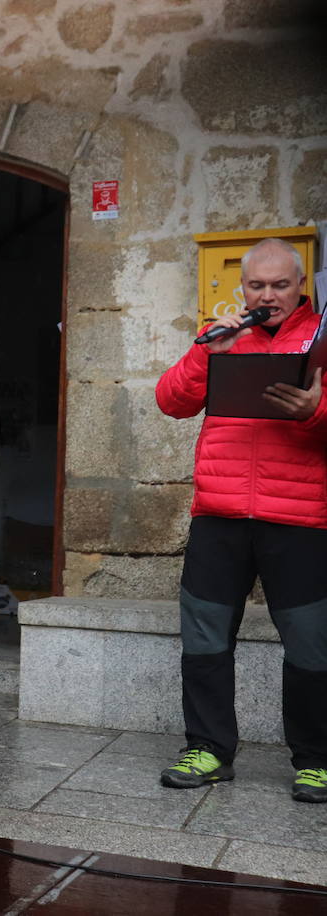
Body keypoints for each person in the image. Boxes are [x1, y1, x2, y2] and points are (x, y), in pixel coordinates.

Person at [154, 237, 327, 805]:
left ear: (301, 286)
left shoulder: (320, 339)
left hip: (300, 517)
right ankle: (208, 750)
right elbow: (170, 401)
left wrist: (315, 412)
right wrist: (209, 351)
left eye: (281, 285)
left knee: (311, 644)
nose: (269, 296)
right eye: (258, 285)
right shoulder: (223, 336)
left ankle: (316, 761)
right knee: (204, 638)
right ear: (242, 287)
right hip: (220, 513)